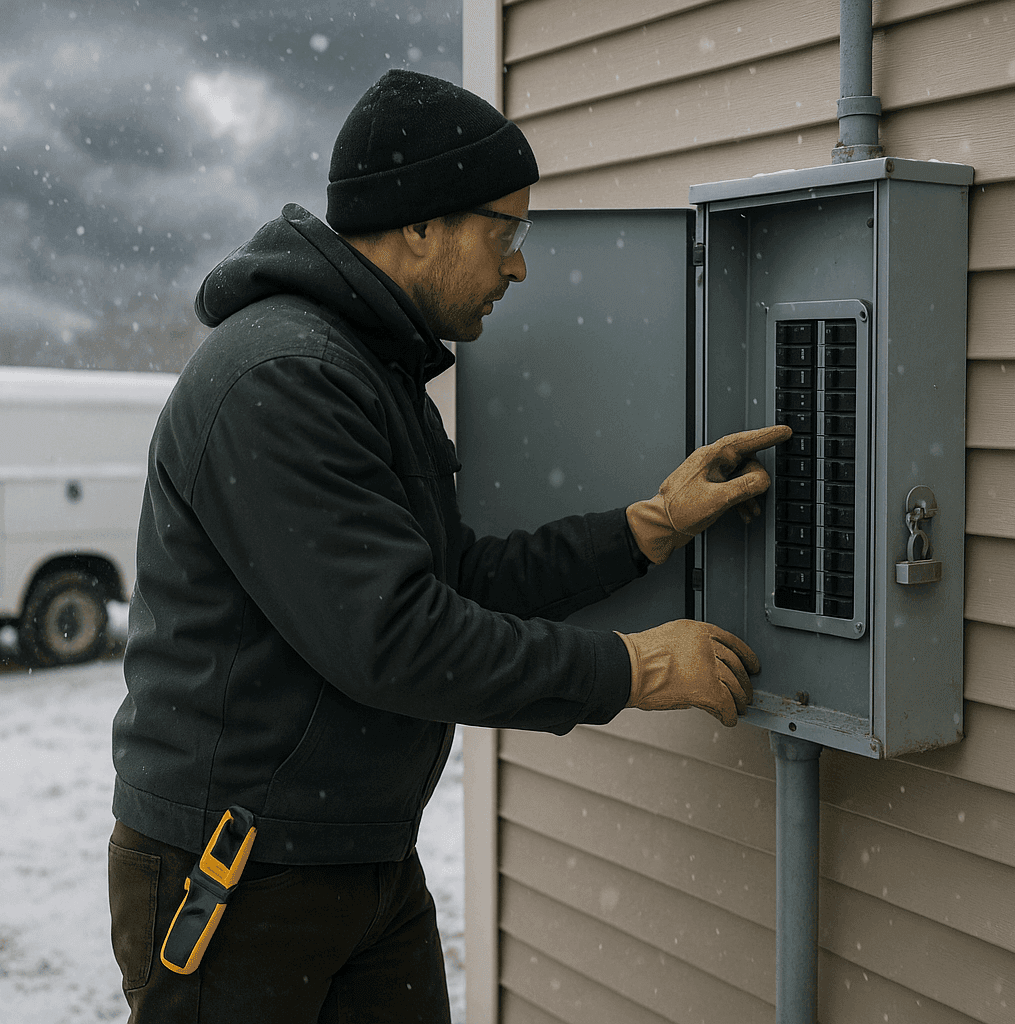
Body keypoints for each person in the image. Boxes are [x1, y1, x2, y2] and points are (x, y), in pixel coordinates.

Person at [106, 69, 789, 1023]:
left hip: (353, 854)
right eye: (504, 232)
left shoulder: (365, 369)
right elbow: (397, 639)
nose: (518, 267)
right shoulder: (284, 376)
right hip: (244, 873)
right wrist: (632, 667)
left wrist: (647, 529)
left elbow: (451, 579)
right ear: (421, 225)